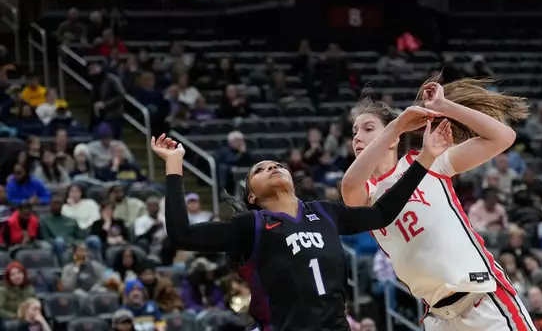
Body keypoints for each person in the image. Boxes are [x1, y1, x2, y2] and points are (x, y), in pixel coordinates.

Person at [154, 104, 453, 331]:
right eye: (259, 170)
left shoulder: (325, 211)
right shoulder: (252, 226)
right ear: (252, 197)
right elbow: (182, 234)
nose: (271, 167)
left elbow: (383, 213)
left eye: (275, 164)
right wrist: (174, 165)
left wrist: (425, 158)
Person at [341, 79, 536, 331]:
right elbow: (349, 185)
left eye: (367, 128)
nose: (357, 137)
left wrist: (445, 106)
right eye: (354, 131)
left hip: (482, 297)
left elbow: (504, 136)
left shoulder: (429, 161)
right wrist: (396, 126)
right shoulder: (366, 192)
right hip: (438, 317)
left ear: (393, 139)